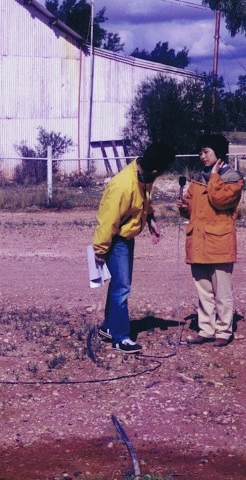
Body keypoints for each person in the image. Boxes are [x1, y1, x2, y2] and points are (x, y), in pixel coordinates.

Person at [93, 142, 177, 353]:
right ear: (156, 170)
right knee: (122, 287)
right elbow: (107, 220)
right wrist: (101, 250)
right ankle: (121, 338)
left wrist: (151, 220)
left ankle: (108, 327)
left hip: (127, 238)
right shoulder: (123, 185)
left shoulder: (143, 175)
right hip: (116, 240)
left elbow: (143, 201)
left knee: (119, 285)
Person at [177, 134, 244, 347]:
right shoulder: (197, 180)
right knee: (203, 290)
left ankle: (224, 331)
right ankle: (206, 328)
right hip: (198, 243)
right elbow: (192, 211)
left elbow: (220, 200)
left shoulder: (233, 179)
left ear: (219, 153)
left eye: (206, 151)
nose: (202, 156)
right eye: (200, 152)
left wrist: (214, 177)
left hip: (219, 244)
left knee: (222, 291)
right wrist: (185, 207)